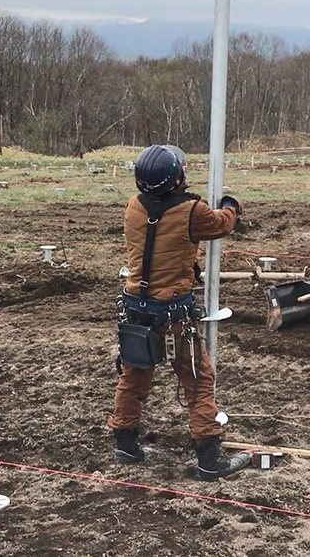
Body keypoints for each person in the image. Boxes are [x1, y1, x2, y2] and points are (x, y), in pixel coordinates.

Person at [107, 144, 251, 481]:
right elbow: (219, 225)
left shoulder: (133, 206)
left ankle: (125, 445)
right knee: (198, 382)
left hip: (136, 310)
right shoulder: (192, 210)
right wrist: (231, 206)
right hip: (173, 314)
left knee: (133, 378)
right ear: (176, 178)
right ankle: (209, 460)